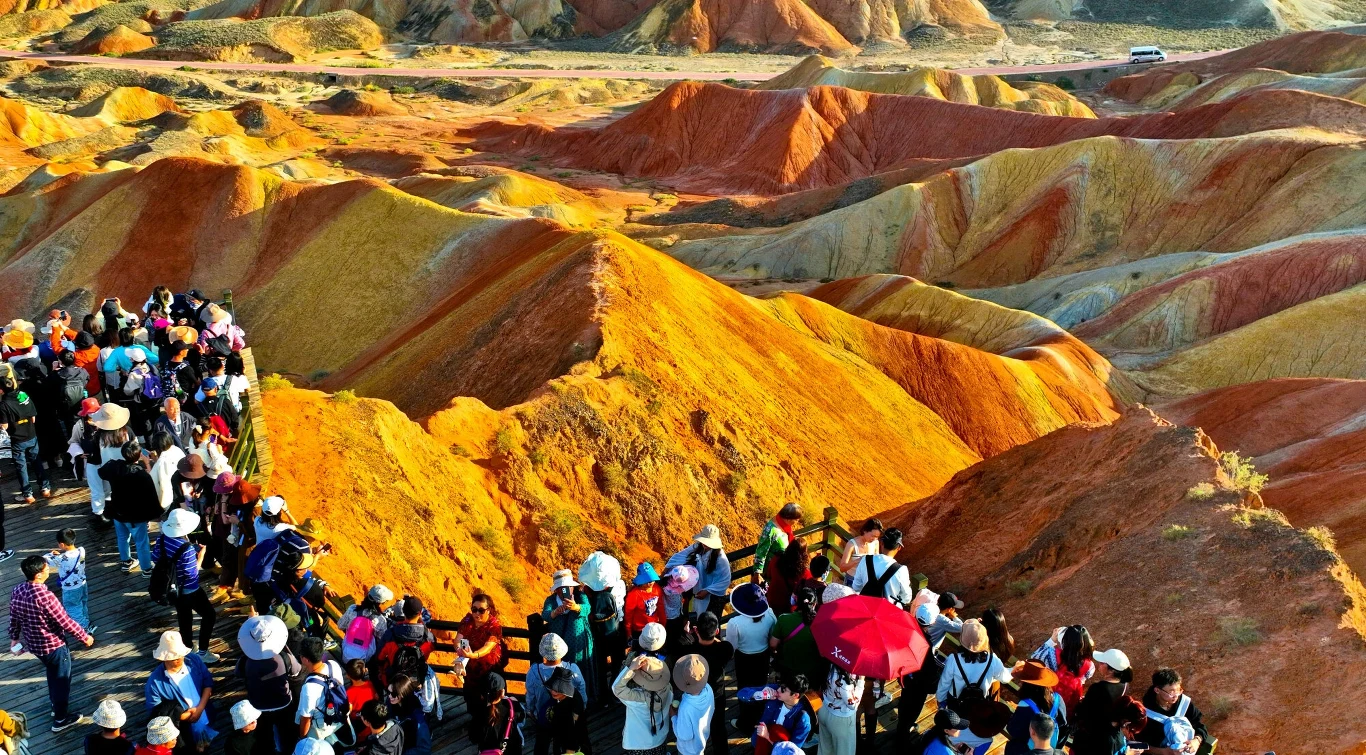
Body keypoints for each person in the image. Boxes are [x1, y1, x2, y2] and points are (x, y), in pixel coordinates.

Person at [8, 554, 94, 732]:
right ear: (38, 574)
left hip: (35, 645)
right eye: (46, 568)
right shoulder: (46, 597)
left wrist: (14, 638)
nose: (48, 569)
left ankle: (56, 706)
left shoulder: (18, 590)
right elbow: (64, 621)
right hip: (54, 646)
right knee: (61, 681)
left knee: (52, 674)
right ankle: (61, 719)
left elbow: (14, 618)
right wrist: (84, 636)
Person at [155, 508, 218, 661]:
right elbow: (192, 574)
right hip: (190, 589)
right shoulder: (187, 548)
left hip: (172, 589)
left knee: (184, 619)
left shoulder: (162, 539)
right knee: (209, 615)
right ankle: (203, 652)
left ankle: (188, 648)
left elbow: (155, 557)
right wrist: (201, 556)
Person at [237, 615, 301, 753]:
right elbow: (296, 672)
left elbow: (238, 674)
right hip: (283, 703)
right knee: (286, 732)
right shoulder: (285, 657)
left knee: (264, 735)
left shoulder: (244, 661)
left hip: (258, 706)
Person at [144, 630, 217, 751]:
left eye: (180, 655)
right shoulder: (154, 683)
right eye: (173, 657)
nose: (178, 659)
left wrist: (200, 709)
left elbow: (208, 682)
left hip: (207, 715)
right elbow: (156, 714)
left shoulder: (195, 660)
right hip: (183, 730)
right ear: (163, 658)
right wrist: (187, 716)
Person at [100, 437, 158, 575]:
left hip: (117, 511)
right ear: (139, 455)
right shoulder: (140, 474)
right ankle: (146, 569)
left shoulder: (114, 467)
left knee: (122, 538)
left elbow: (101, 472)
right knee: (141, 542)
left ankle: (126, 561)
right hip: (134, 515)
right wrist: (148, 463)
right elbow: (151, 489)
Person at [524, 634, 588, 755]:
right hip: (566, 716)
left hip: (543, 715)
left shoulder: (534, 671)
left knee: (541, 744)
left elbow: (530, 695)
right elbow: (581, 689)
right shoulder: (572, 668)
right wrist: (581, 708)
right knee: (562, 744)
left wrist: (530, 711)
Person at [726, 583, 776, 729]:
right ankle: (760, 715)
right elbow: (773, 636)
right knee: (761, 685)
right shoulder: (770, 615)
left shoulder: (734, 623)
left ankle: (745, 722)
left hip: (744, 659)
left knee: (744, 688)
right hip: (763, 656)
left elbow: (732, 646)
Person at [579, 551, 626, 708]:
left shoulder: (588, 592)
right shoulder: (620, 586)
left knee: (599, 665)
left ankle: (602, 696)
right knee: (617, 663)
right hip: (617, 631)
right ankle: (615, 692)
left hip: (597, 635)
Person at [541, 570, 595, 702]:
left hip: (579, 642)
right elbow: (545, 614)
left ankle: (583, 698)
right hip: (560, 642)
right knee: (562, 669)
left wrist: (575, 607)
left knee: (581, 668)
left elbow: (587, 608)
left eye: (568, 587)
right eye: (561, 588)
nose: (565, 590)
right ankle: (562, 697)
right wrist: (555, 612)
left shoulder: (580, 596)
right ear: (556, 589)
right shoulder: (551, 600)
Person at [936, 620, 1006, 718]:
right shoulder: (992, 659)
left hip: (955, 701)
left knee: (955, 727)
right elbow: (1005, 678)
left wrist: (940, 699)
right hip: (979, 702)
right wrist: (1015, 669)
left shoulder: (954, 659)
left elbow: (944, 682)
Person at [685, 612, 733, 755]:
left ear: (696, 630)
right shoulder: (726, 648)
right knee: (718, 726)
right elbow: (721, 644)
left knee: (696, 725)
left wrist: (690, 636)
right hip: (717, 694)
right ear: (717, 631)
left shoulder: (689, 650)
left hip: (695, 694)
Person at [455, 592, 506, 727]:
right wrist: (460, 651)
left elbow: (488, 647)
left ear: (489, 610)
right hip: (471, 667)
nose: (477, 613)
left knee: (490, 697)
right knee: (472, 698)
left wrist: (474, 655)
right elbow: (458, 639)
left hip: (489, 667)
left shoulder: (494, 625)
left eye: (481, 610)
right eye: (474, 609)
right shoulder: (467, 621)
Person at [1071, 649, 1132, 755]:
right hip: (1113, 738)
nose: (1099, 664)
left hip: (1093, 740)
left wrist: (1081, 703)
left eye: (1102, 663)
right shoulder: (1125, 685)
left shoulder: (1098, 688)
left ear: (1111, 670)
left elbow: (1084, 714)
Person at [1137, 668, 1210, 755]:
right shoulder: (1144, 713)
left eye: (1178, 690)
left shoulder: (1184, 704)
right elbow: (1137, 744)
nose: (1176, 696)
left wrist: (1196, 741)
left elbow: (1199, 726)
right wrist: (1164, 752)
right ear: (1157, 690)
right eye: (1171, 692)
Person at [1, 375, 49, 503]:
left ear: (1, 390)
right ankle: (45, 488)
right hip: (31, 434)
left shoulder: (3, 404)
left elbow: (4, 426)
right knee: (36, 461)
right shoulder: (23, 395)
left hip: (17, 439)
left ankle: (28, 495)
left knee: (21, 467)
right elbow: (33, 418)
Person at [612, 654, 672, 755]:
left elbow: (616, 688)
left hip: (638, 744)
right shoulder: (669, 690)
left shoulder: (638, 698)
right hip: (660, 740)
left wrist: (631, 668)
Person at [1004, 660, 1065, 755]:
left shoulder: (1025, 705)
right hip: (1049, 747)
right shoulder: (1058, 699)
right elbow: (1062, 723)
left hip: (1027, 749)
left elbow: (1014, 730)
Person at [1030, 625, 1094, 713]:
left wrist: (1052, 640)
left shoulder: (1050, 654)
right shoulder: (1090, 667)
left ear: (1065, 641)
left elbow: (1034, 658)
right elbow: (1083, 679)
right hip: (1065, 708)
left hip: (1045, 700)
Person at [374, 596, 434, 690]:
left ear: (403, 612)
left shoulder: (390, 634)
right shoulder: (428, 638)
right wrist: (423, 625)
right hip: (415, 682)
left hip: (394, 683)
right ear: (420, 613)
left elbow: (379, 657)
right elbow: (433, 645)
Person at [297, 636, 349, 744]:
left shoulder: (308, 687)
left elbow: (306, 718)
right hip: (338, 716)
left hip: (322, 726)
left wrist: (302, 739)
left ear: (306, 660)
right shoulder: (333, 665)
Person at [43, 527, 93, 634]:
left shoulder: (61, 559)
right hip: (82, 583)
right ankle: (86, 619)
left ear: (61, 544)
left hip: (70, 589)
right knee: (82, 603)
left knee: (72, 608)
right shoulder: (81, 550)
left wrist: (51, 554)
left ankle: (85, 626)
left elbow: (46, 560)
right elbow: (68, 556)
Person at [770, 587, 824, 684]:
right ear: (815, 604)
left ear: (797, 602)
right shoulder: (821, 623)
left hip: (787, 669)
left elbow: (773, 644)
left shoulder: (783, 619)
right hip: (811, 672)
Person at [849, 528, 912, 607]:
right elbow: (906, 598)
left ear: (881, 543)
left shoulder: (866, 559)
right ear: (899, 547)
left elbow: (856, 587)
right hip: (887, 614)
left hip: (864, 609)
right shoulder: (901, 570)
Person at [754, 675, 813, 750]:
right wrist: (760, 693)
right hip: (759, 742)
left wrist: (767, 737)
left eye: (783, 690)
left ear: (795, 695)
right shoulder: (774, 693)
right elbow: (742, 693)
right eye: (780, 686)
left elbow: (792, 751)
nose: (778, 690)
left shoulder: (803, 720)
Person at [339, 584, 394, 664]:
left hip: (346, 654)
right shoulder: (381, 620)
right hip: (363, 659)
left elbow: (340, 625)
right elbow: (381, 641)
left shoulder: (353, 609)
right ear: (381, 603)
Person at [672, 655, 713, 755]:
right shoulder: (708, 688)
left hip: (687, 750)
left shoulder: (686, 707)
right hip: (701, 740)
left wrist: (673, 716)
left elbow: (684, 735)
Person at [820, 665, 865, 755]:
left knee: (824, 749)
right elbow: (853, 705)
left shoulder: (831, 665)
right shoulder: (844, 681)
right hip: (840, 719)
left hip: (824, 709)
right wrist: (861, 681)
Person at [471, 672, 520, 755]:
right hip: (511, 749)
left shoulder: (478, 711)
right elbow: (521, 718)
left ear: (482, 695)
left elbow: (474, 738)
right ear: (502, 693)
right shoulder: (512, 706)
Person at [753, 503, 803, 581]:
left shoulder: (784, 526)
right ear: (788, 519)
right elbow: (761, 552)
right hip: (770, 573)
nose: (797, 521)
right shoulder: (770, 530)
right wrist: (757, 573)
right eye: (796, 519)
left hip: (781, 570)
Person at [543, 667, 584, 755]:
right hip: (559, 740)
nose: (553, 692)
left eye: (557, 690)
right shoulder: (559, 698)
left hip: (571, 747)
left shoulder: (574, 704)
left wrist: (570, 751)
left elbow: (572, 729)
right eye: (552, 688)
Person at [763, 540, 810, 616]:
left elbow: (769, 575)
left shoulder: (776, 559)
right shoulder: (805, 573)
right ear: (804, 554)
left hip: (771, 601)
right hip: (788, 609)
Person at [623, 563, 664, 645]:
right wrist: (628, 632)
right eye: (647, 581)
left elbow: (660, 606)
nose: (651, 583)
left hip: (654, 627)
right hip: (639, 630)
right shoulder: (633, 594)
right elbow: (628, 615)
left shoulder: (657, 588)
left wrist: (663, 624)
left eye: (652, 579)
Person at [148, 431, 185, 511]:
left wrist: (148, 463)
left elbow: (154, 482)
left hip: (172, 499)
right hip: (185, 491)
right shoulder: (176, 450)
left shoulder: (161, 463)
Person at [837, 517, 882, 583]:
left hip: (867, 581)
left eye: (877, 537)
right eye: (873, 536)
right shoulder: (852, 544)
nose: (874, 539)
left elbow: (877, 561)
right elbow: (842, 568)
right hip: (852, 580)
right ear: (865, 531)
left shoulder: (875, 543)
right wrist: (858, 561)